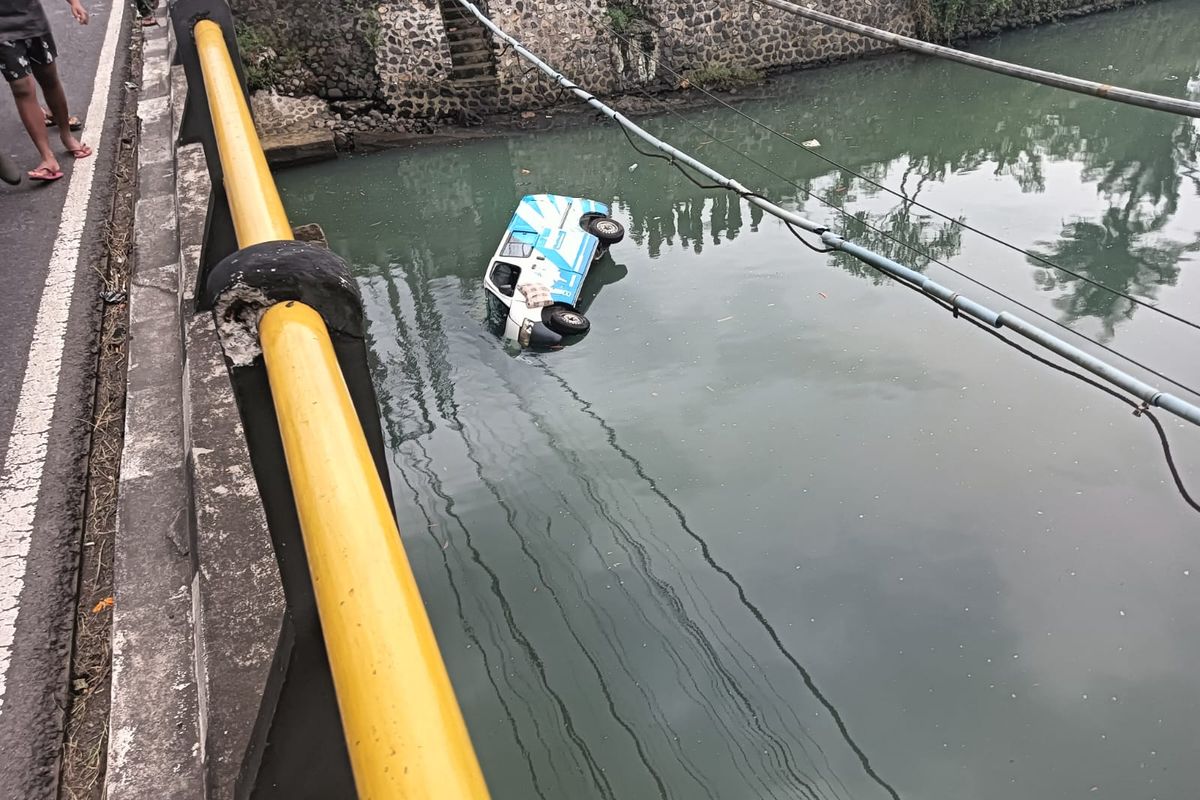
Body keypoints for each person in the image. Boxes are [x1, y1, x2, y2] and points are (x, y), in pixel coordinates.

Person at [1, 0, 91, 183]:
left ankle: (66, 135)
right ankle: (47, 157)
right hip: (2, 33)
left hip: (32, 21)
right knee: (21, 88)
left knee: (48, 78)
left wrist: (74, 3)